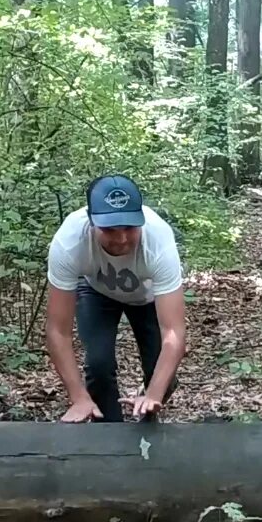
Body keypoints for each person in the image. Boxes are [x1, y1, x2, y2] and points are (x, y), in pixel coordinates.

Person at [44, 174, 187, 423]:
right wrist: (78, 397)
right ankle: (107, 437)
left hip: (148, 299)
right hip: (96, 292)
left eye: (130, 228)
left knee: (162, 376)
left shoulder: (158, 240)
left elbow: (174, 332)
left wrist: (154, 394)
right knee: (98, 366)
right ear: (91, 222)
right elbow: (58, 331)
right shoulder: (69, 242)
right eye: (110, 229)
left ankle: (146, 421)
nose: (121, 239)